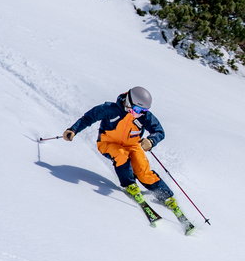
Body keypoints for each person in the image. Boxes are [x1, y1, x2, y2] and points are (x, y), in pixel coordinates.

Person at [63, 86, 192, 232]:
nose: (139, 114)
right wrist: (72, 130)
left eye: (143, 111)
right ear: (129, 102)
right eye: (137, 110)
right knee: (120, 155)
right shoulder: (110, 109)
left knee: (143, 169)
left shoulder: (144, 116)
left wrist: (151, 140)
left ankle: (165, 195)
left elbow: (159, 131)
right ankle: (129, 183)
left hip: (132, 145)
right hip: (108, 143)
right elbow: (88, 118)